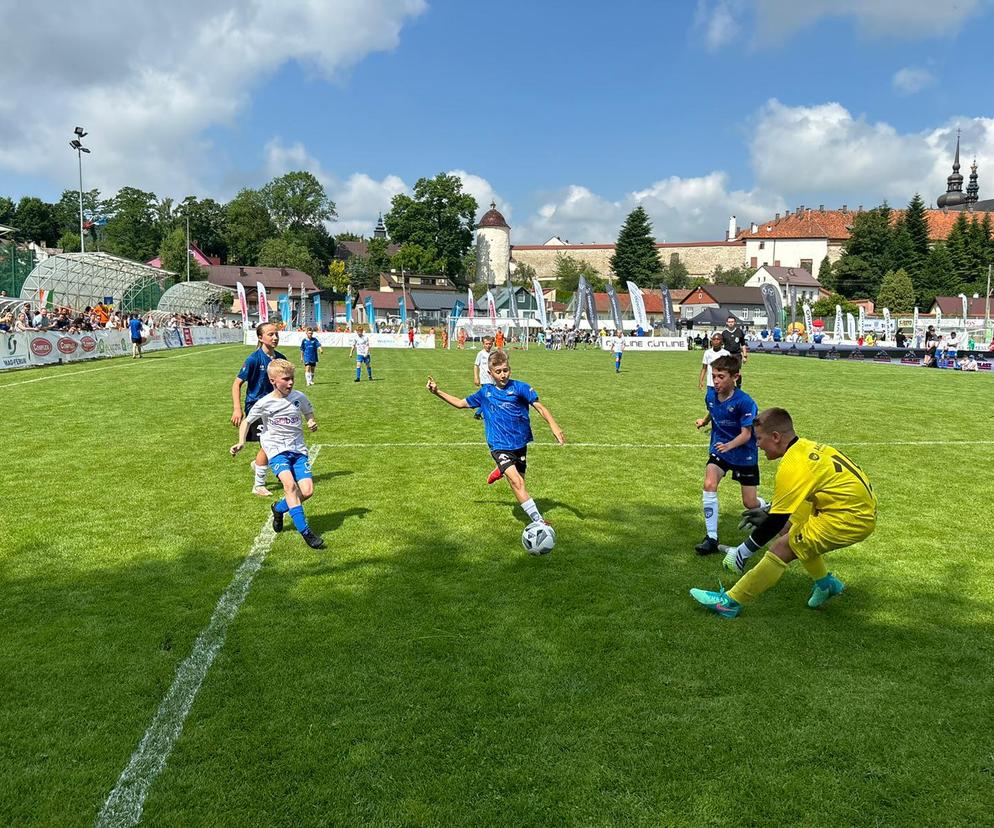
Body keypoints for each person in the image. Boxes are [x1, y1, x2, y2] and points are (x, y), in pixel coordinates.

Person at [690, 407, 876, 618]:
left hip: (849, 517)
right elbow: (783, 514)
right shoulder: (805, 447)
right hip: (849, 506)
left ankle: (730, 602)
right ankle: (825, 584)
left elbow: (775, 522)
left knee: (783, 546)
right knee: (791, 529)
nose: (757, 445)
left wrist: (743, 552)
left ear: (776, 437)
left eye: (759, 438)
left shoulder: (792, 464)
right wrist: (771, 514)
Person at [426, 350, 565, 525]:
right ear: (490, 373)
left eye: (505, 370)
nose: (503, 375)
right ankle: (538, 521)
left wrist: (554, 425)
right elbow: (461, 403)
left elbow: (540, 407)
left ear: (510, 369)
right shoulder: (485, 393)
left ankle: (501, 469)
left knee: (520, 481)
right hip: (498, 444)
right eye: (498, 372)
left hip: (519, 443)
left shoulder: (521, 388)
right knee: (516, 483)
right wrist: (437, 392)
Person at [230, 359, 325, 549]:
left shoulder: (299, 397)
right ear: (273, 381)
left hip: (298, 450)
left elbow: (308, 412)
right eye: (286, 379)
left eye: (292, 379)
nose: (290, 383)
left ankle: (279, 508)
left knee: (307, 491)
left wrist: (311, 422)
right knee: (289, 486)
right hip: (276, 450)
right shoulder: (264, 403)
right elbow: (247, 421)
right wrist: (241, 442)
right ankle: (306, 533)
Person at [693, 356, 766, 556]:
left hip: (743, 453)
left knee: (750, 503)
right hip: (720, 450)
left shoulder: (744, 402)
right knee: (709, 484)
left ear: (735, 377)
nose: (716, 381)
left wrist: (728, 445)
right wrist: (705, 421)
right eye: (714, 376)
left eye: (721, 377)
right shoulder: (710, 396)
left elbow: (746, 434)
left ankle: (767, 508)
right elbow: (712, 410)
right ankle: (711, 538)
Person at [231, 322, 286, 497]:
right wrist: (237, 409)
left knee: (278, 441)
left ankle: (261, 465)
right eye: (270, 334)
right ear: (261, 338)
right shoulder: (254, 359)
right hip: (256, 407)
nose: (275, 337)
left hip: (275, 407)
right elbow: (236, 384)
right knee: (268, 444)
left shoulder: (280, 359)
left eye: (276, 334)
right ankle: (258, 485)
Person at [720, 315, 748, 387]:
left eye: (732, 322)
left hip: (737, 355)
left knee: (737, 372)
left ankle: (738, 387)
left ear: (735, 322)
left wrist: (745, 356)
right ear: (726, 323)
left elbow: (743, 344)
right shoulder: (724, 333)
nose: (730, 323)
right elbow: (721, 345)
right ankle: (728, 386)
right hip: (727, 355)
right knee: (727, 372)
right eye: (729, 322)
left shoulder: (739, 332)